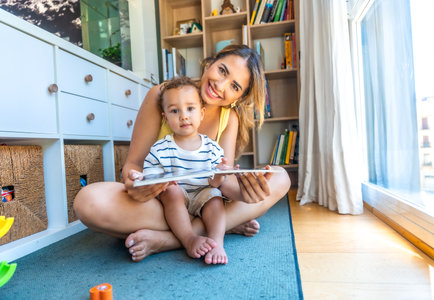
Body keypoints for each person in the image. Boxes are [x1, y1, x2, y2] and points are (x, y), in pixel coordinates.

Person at [73, 45, 291, 263]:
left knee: (281, 178)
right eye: (222, 70)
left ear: (238, 98)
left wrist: (246, 193)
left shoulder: (229, 118)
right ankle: (222, 227)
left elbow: (222, 182)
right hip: (162, 203)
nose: (220, 85)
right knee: (88, 201)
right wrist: (134, 184)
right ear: (211, 63)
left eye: (234, 86)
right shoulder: (161, 95)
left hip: (206, 202)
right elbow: (133, 165)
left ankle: (170, 240)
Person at [143, 76, 229, 264]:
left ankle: (217, 242)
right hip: (177, 198)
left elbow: (215, 183)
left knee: (215, 197)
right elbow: (149, 175)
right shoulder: (160, 148)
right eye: (175, 111)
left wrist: (221, 174)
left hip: (202, 195)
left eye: (190, 109)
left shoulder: (212, 148)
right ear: (165, 118)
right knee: (171, 191)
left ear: (201, 113)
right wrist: (160, 181)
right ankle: (189, 239)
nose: (184, 116)